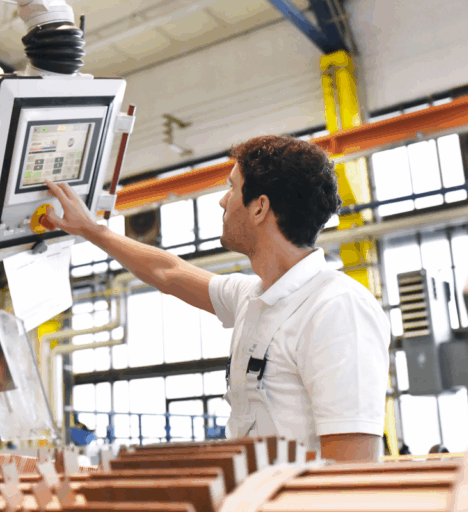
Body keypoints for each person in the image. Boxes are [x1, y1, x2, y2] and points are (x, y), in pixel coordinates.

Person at [42, 135, 390, 462]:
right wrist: (91, 230)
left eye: (232, 188)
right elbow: (168, 272)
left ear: (259, 208)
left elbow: (352, 466)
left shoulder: (336, 308)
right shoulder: (253, 299)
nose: (223, 200)